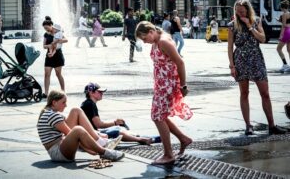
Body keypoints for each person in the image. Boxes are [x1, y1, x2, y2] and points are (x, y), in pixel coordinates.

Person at [135, 21, 193, 165]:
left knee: (157, 116)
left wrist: (183, 86)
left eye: (144, 38)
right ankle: (183, 139)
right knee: (161, 115)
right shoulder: (157, 39)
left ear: (150, 32)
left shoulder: (164, 41)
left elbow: (180, 63)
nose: (145, 42)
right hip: (161, 84)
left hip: (168, 85)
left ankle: (169, 154)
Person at [227, 0, 286, 136]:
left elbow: (263, 39)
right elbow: (230, 47)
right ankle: (248, 125)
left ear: (248, 10)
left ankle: (272, 125)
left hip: (256, 58)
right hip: (240, 59)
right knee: (244, 93)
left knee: (265, 93)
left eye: (242, 11)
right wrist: (231, 65)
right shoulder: (232, 25)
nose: (240, 13)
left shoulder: (257, 21)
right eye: (238, 11)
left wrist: (250, 26)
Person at [37, 90, 125, 162]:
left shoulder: (49, 113)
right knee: (78, 130)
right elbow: (71, 134)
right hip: (58, 153)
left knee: (76, 110)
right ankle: (104, 152)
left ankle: (100, 141)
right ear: (54, 102)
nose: (66, 105)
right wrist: (89, 150)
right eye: (63, 102)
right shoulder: (52, 116)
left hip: (59, 148)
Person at [80, 82, 153, 145]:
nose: (102, 93)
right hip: (93, 134)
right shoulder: (90, 104)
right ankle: (140, 139)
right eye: (99, 92)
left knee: (117, 128)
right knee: (117, 131)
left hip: (93, 132)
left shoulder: (87, 103)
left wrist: (115, 124)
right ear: (91, 93)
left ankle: (136, 136)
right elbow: (98, 124)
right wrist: (115, 122)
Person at [42, 16, 68, 96]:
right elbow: (44, 46)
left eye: (47, 28)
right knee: (47, 74)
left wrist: (58, 41)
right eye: (44, 28)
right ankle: (46, 93)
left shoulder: (58, 32)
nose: (46, 29)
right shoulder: (46, 34)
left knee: (58, 74)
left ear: (51, 25)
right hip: (49, 56)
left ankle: (63, 91)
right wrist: (49, 45)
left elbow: (66, 40)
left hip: (58, 55)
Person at [277, 0, 290, 72]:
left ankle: (285, 64)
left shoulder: (284, 14)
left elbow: (284, 25)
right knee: (289, 50)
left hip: (286, 32)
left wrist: (281, 35)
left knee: (278, 49)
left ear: (282, 8)